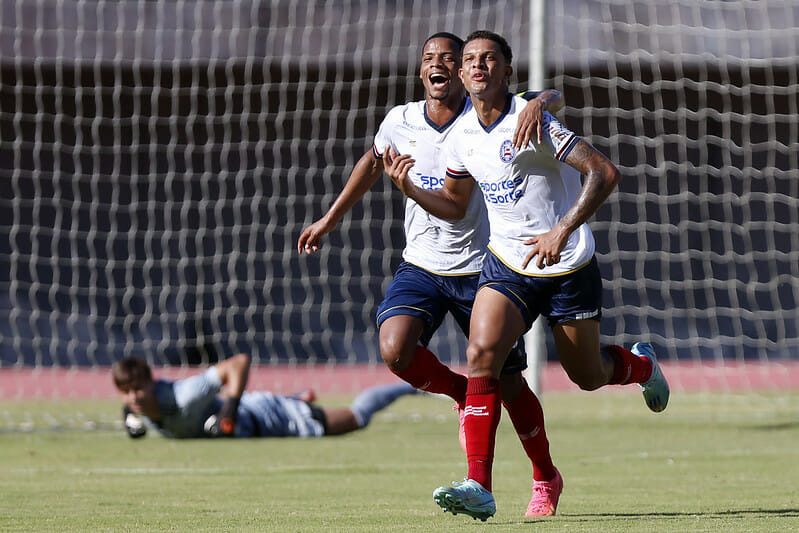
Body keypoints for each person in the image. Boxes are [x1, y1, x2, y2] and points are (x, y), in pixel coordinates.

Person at [387, 30, 670, 521]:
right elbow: (455, 206)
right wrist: (409, 188)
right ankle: (479, 484)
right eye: (470, 60)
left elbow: (604, 172)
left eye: (489, 59)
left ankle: (638, 366)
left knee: (586, 375)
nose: (478, 67)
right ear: (460, 73)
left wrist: (562, 228)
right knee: (483, 355)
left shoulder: (533, 121)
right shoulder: (460, 137)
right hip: (506, 266)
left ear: (507, 71)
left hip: (566, 267)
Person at [298, 32, 565, 518]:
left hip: (482, 269)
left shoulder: (483, 114)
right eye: (429, 59)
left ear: (462, 73)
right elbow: (371, 162)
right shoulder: (399, 120)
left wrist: (539, 100)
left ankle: (545, 476)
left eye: (448, 58)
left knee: (509, 388)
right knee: (395, 349)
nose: (437, 65)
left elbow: (546, 98)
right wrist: (329, 219)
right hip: (421, 264)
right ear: (421, 71)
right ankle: (462, 393)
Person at [112, 353, 417, 439]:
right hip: (255, 417)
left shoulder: (186, 396)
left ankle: (414, 385)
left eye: (138, 388)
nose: (134, 397)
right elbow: (132, 405)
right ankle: (295, 398)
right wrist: (128, 418)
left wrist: (227, 413)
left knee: (355, 419)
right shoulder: (139, 409)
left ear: (152, 383)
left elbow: (239, 362)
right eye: (126, 393)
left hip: (266, 417)